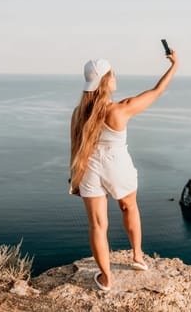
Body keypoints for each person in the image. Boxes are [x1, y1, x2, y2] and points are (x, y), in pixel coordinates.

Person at [69, 48, 178, 291]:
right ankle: (138, 256)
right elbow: (157, 91)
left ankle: (106, 279)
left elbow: (75, 148)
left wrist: (75, 179)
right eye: (113, 74)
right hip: (117, 166)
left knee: (97, 226)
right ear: (106, 80)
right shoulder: (120, 109)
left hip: (88, 169)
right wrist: (174, 65)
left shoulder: (78, 114)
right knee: (129, 206)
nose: (116, 78)